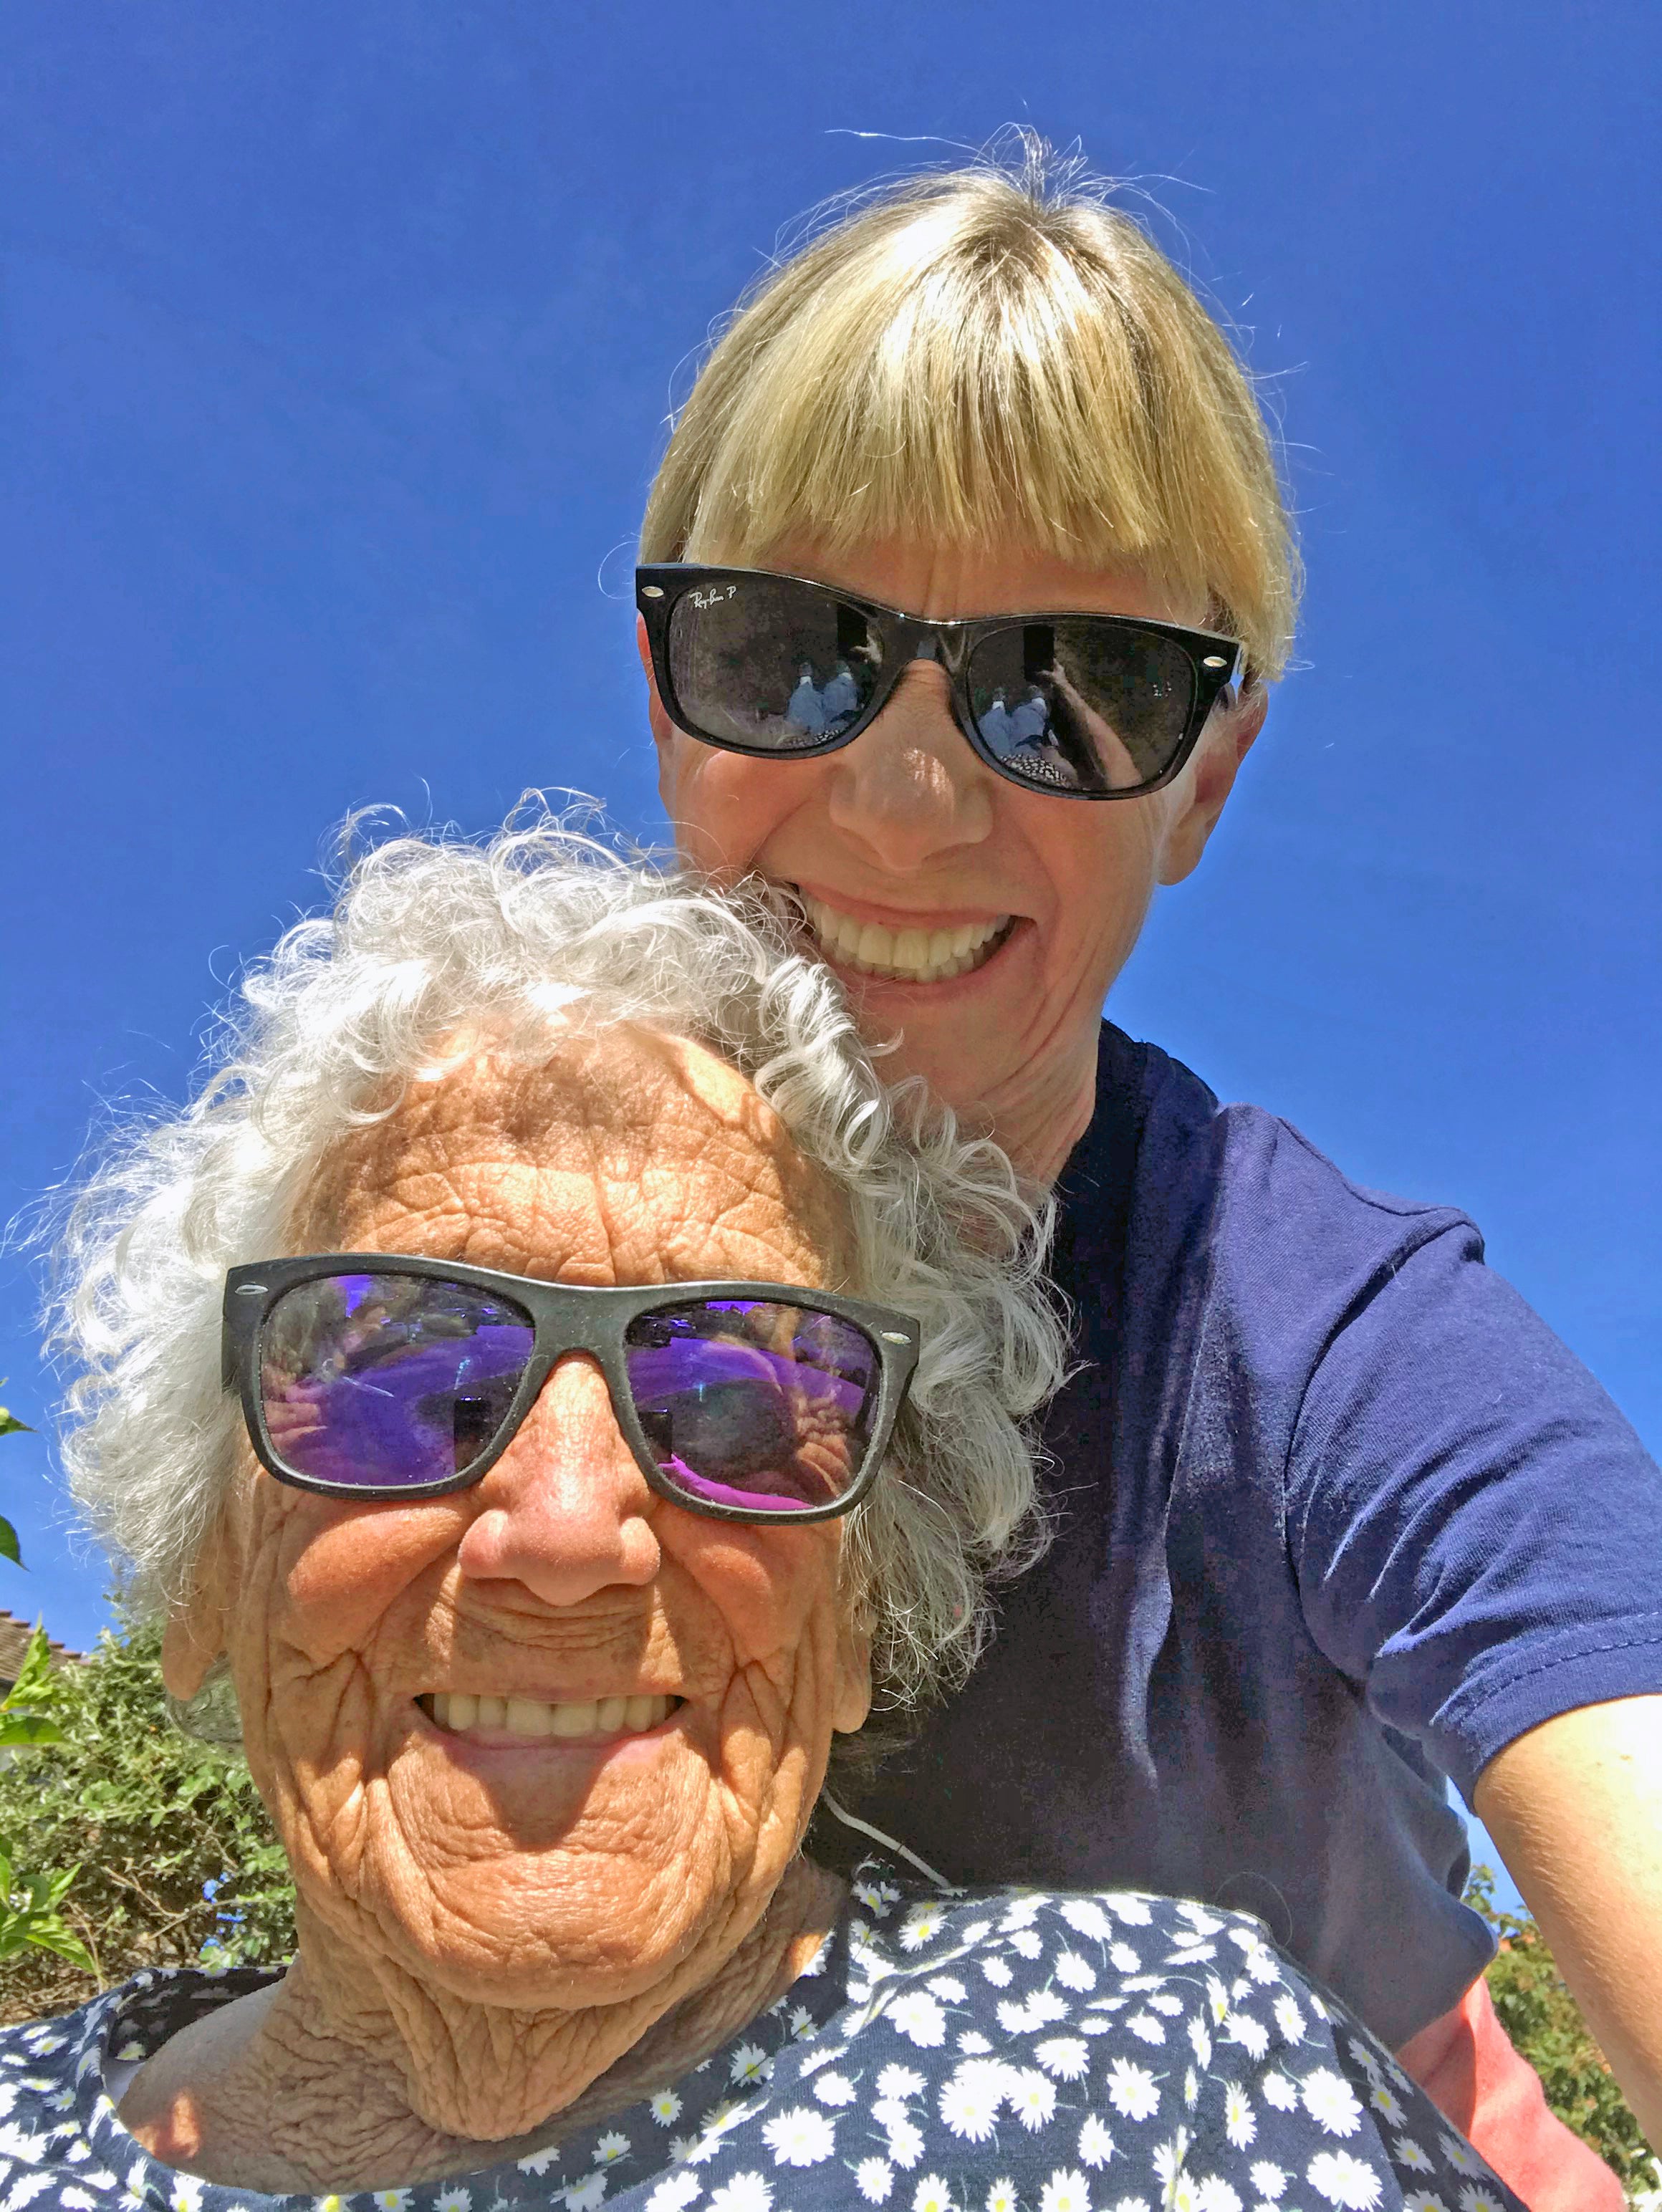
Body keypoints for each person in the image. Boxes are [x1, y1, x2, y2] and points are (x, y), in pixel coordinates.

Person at [634, 144, 1662, 2205]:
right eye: (789, 645)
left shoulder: (1322, 1341)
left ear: (1208, 783)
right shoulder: (494, 1254)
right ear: (666, 687)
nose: (912, 795)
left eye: (1074, 684)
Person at [4, 820, 1517, 2211]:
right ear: (205, 1566)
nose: (567, 1525)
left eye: (728, 1400)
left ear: (858, 1606)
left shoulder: (1179, 2077)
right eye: (409, 1377)